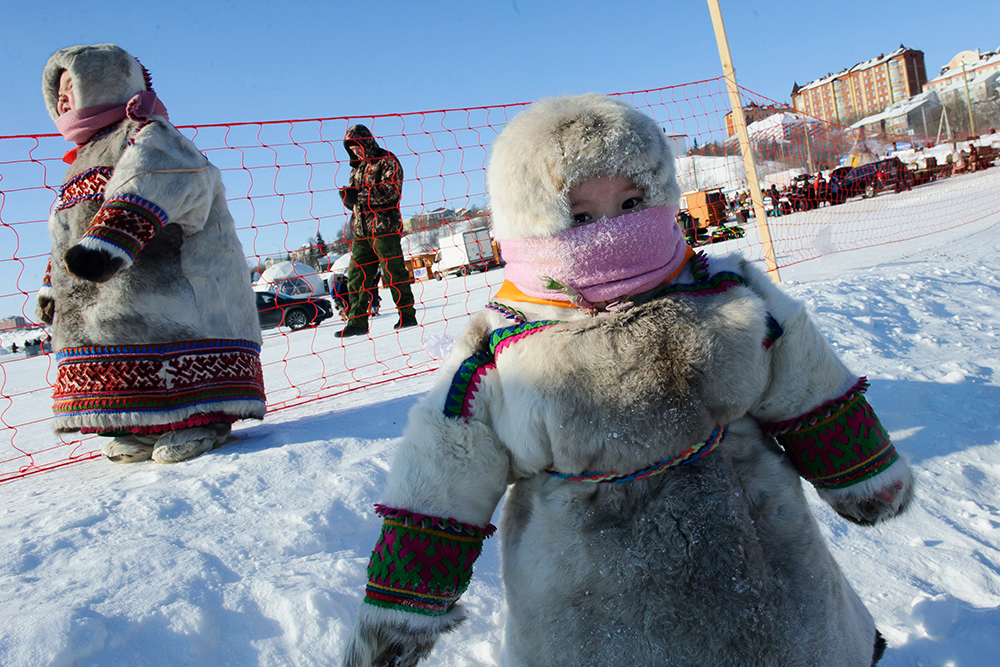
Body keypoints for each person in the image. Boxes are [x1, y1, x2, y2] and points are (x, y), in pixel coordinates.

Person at [340, 94, 911, 666]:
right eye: (582, 217)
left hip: (765, 575)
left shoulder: (723, 289)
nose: (612, 232)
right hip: (592, 612)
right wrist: (402, 608)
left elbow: (807, 379)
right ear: (530, 220)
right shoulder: (505, 342)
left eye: (632, 201)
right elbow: (444, 467)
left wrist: (861, 474)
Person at [37, 44, 266, 464]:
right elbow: (63, 230)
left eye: (74, 86)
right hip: (116, 299)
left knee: (180, 338)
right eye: (60, 92)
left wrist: (108, 242)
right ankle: (140, 424)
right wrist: (53, 288)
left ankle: (203, 417)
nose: (64, 98)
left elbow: (152, 183)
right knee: (122, 344)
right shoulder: (81, 160)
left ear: (104, 84)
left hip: (185, 286)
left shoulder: (149, 134)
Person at [336, 125, 417, 337]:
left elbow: (391, 192)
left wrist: (359, 196)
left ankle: (407, 315)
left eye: (357, 147)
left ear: (367, 142)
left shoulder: (387, 161)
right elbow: (357, 199)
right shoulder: (357, 169)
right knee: (356, 276)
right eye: (351, 149)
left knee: (394, 273)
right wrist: (348, 199)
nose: (355, 152)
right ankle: (357, 323)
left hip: (383, 229)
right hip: (361, 232)